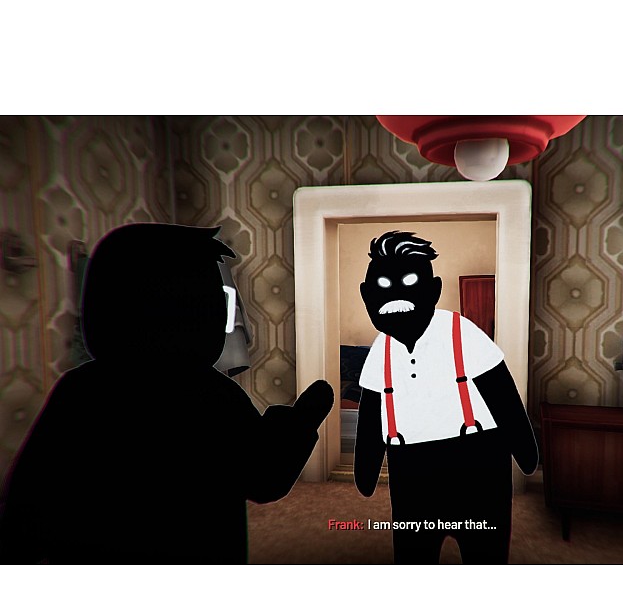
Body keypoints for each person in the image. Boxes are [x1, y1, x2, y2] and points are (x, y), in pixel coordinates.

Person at [0, 222, 333, 563]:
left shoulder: (80, 391)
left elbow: (27, 499)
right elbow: (264, 478)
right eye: (209, 301)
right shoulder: (212, 396)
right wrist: (299, 423)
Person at [354, 230, 538, 563]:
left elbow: (502, 395)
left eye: (410, 282)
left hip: (477, 464)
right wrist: (366, 471)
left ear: (434, 290)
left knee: (485, 555)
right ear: (367, 295)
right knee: (414, 556)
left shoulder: (462, 333)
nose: (395, 295)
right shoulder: (381, 349)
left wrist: (526, 453)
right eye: (382, 287)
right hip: (411, 471)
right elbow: (371, 414)